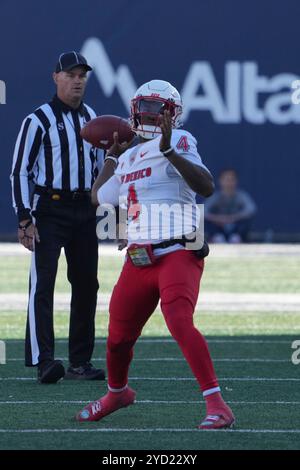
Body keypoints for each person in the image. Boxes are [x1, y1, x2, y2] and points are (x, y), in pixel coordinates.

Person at [76, 79, 235, 429]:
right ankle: (117, 393)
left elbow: (206, 187)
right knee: (117, 337)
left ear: (171, 114)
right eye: (143, 107)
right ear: (134, 110)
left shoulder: (180, 140)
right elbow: (99, 198)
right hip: (138, 257)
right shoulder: (129, 155)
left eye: (155, 108)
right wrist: (111, 159)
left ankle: (217, 404)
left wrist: (168, 150)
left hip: (178, 249)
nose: (148, 114)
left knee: (179, 321)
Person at [10, 51, 105, 384]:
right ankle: (44, 360)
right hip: (49, 209)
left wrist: (111, 211)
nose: (77, 80)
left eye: (82, 75)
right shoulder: (37, 120)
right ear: (56, 77)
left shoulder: (92, 118)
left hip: (84, 210)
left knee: (86, 285)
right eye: (71, 74)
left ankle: (80, 361)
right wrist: (24, 218)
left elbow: (101, 171)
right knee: (43, 284)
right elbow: (20, 172)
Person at [205, 169, 256, 243]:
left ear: (236, 181)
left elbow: (251, 209)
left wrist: (232, 218)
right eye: (226, 179)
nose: (229, 183)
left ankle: (236, 238)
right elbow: (203, 211)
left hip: (236, 227)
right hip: (219, 227)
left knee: (246, 221)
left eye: (232, 179)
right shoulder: (215, 197)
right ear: (220, 181)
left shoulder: (241, 196)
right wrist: (218, 219)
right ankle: (217, 238)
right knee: (205, 221)